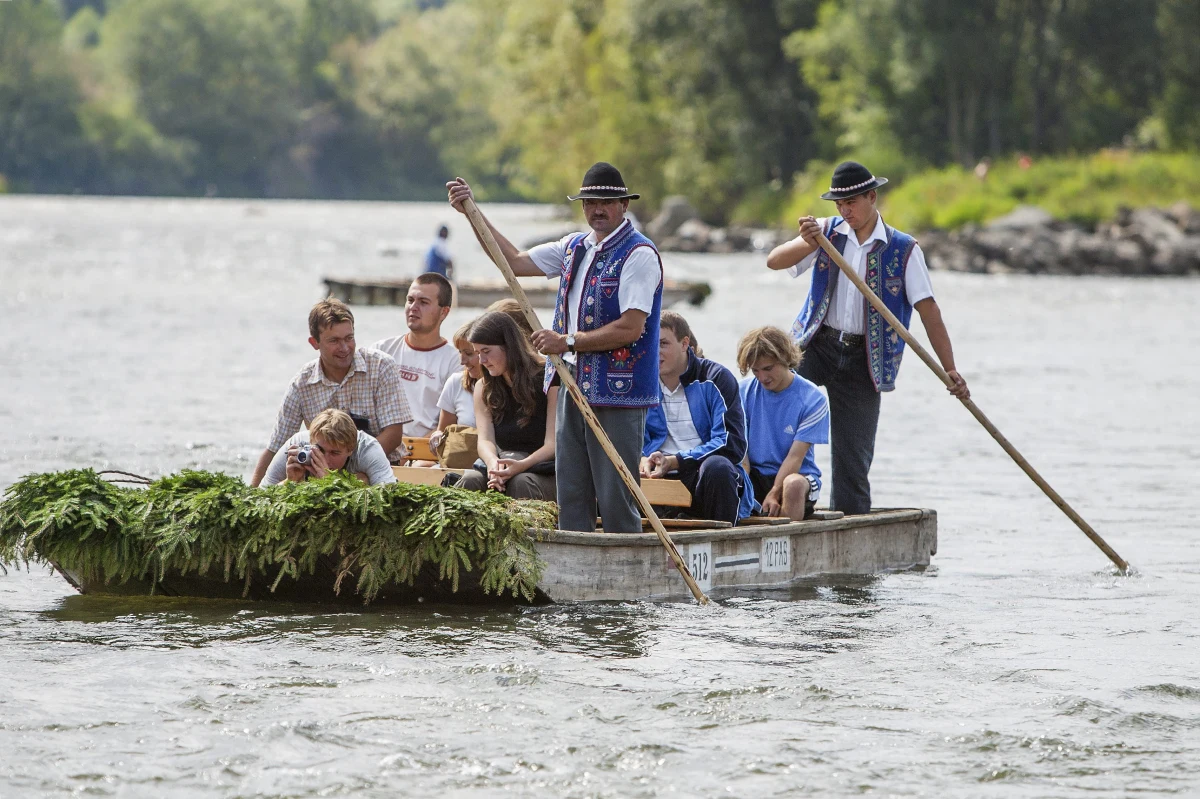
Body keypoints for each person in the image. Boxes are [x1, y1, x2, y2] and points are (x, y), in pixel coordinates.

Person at [448, 162, 662, 532]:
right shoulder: (573, 247)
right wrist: (472, 213)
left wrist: (568, 342)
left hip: (618, 390)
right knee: (572, 488)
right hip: (569, 379)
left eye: (606, 203)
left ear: (624, 206)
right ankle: (577, 558)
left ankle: (623, 564)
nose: (597, 209)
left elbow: (631, 327)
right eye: (589, 202)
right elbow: (512, 262)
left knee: (615, 491)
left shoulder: (639, 254)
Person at [765, 161, 969, 515]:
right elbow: (774, 261)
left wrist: (949, 369)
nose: (846, 212)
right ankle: (772, 507)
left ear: (872, 197)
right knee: (782, 428)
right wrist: (808, 241)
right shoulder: (827, 233)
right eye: (840, 205)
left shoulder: (904, 250)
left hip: (865, 359)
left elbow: (928, 311)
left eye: (853, 203)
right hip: (816, 347)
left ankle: (849, 531)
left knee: (853, 460)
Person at [251, 298, 411, 487]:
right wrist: (249, 497)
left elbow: (393, 435)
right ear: (314, 343)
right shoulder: (302, 382)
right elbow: (276, 447)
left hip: (376, 468)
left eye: (348, 338)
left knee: (363, 479)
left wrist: (343, 472)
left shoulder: (381, 365)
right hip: (316, 472)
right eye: (334, 341)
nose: (344, 348)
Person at [640, 311, 756, 525]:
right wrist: (641, 459)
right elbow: (630, 437)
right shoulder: (640, 381)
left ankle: (722, 543)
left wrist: (677, 461)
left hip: (702, 474)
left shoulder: (716, 378)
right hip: (655, 476)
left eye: (663, 344)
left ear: (685, 343)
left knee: (718, 468)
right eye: (649, 343)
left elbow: (731, 444)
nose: (654, 352)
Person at [457, 312, 557, 500]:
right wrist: (493, 464)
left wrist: (521, 466)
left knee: (521, 483)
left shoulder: (549, 378)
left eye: (486, 352)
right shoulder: (483, 386)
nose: (482, 361)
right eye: (478, 353)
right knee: (470, 480)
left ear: (509, 346)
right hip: (504, 462)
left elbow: (552, 444)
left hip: (543, 470)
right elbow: (485, 440)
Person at [736, 326, 830, 521]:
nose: (762, 377)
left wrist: (774, 492)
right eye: (756, 370)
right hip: (754, 473)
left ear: (786, 359)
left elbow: (795, 458)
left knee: (792, 486)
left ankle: (789, 547)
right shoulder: (741, 392)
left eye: (768, 368)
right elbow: (742, 453)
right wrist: (742, 486)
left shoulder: (813, 399)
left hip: (796, 476)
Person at [371, 272, 462, 459]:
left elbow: (454, 424)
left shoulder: (456, 361)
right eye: (410, 300)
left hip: (426, 455)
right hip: (381, 449)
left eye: (423, 302)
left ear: (444, 312)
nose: (413, 307)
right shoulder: (381, 350)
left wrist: (412, 453)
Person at [261, 409, 398, 487]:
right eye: (320, 449)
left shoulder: (368, 450)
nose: (324, 460)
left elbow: (389, 499)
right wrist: (289, 482)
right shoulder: (297, 444)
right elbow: (261, 494)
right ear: (311, 440)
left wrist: (331, 483)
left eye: (335, 452)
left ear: (351, 449)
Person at [429, 320, 483, 453]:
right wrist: (437, 436)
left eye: (469, 354)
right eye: (460, 352)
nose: (462, 361)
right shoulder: (455, 382)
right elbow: (443, 431)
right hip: (461, 463)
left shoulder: (510, 385)